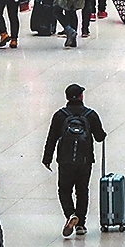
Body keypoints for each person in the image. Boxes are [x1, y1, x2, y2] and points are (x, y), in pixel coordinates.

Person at [42, 83, 107, 237]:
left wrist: (47, 158)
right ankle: (81, 225)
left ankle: (71, 215)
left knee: (64, 190)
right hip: (85, 161)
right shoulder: (90, 115)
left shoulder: (60, 115)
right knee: (82, 191)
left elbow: (52, 138)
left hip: (65, 161)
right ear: (81, 96)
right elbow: (99, 137)